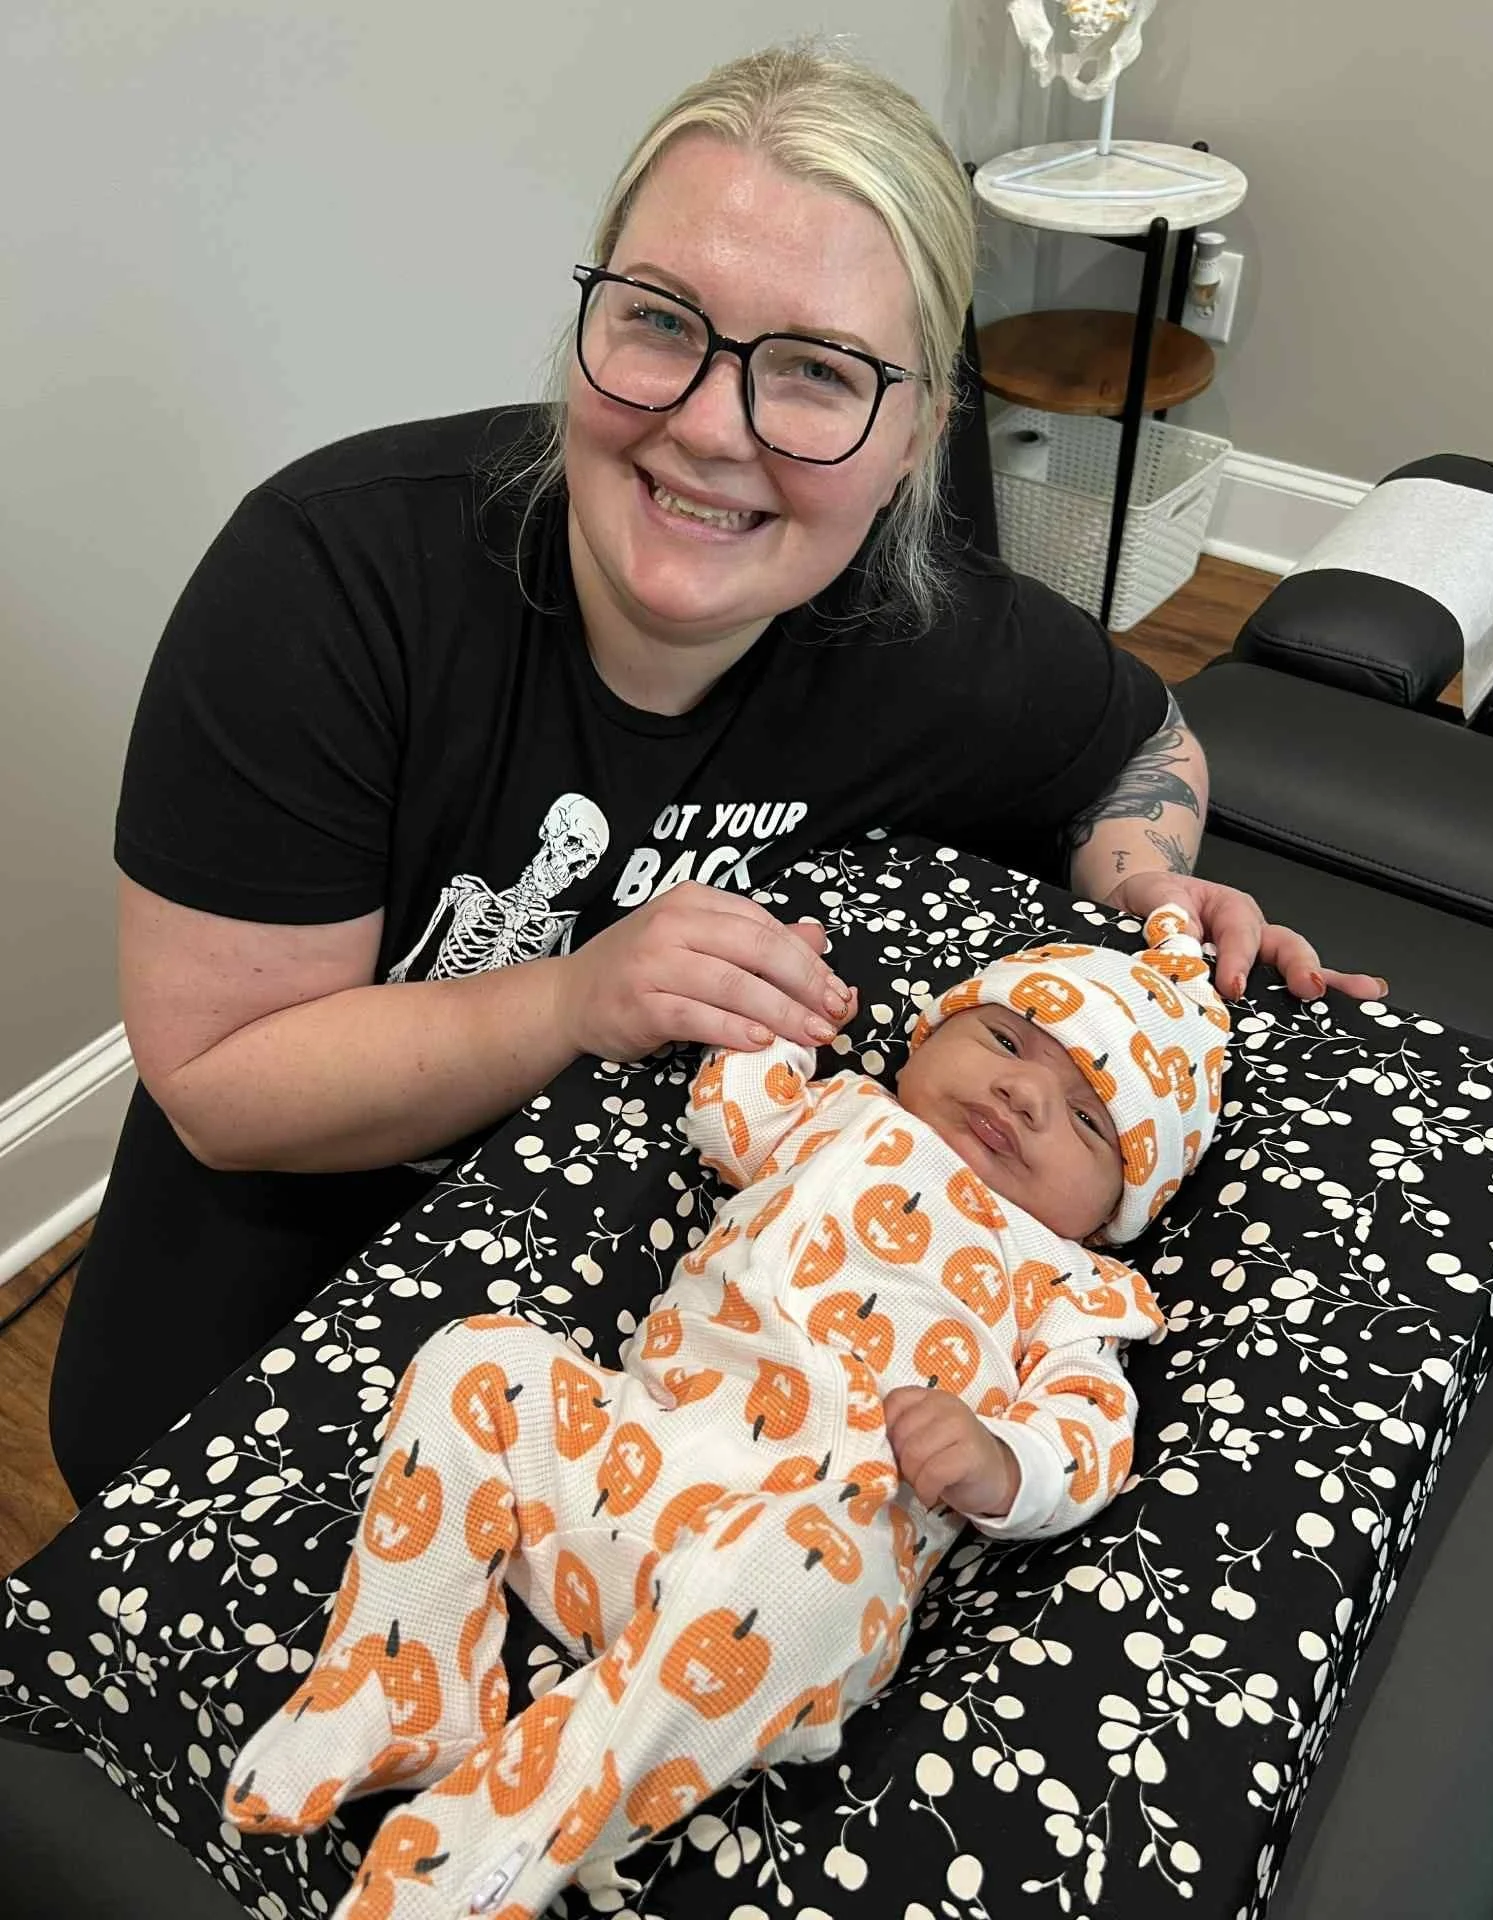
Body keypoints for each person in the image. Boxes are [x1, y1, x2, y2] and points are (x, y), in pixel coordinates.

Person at [51, 42, 1386, 1506]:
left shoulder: (920, 635)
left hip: (678, 1346)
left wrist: (1140, 890)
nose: (705, 423)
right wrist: (575, 998)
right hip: (285, 1291)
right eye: (659, 320)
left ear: (914, 439)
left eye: (817, 371)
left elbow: (1143, 741)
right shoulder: (327, 584)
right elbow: (222, 1084)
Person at [221, 906, 1228, 1920]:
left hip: (799, 1546)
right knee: (477, 1361)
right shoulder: (844, 1113)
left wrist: (1000, 1463)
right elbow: (731, 1115)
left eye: (1089, 1119)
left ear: (1115, 1213)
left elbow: (1088, 1429)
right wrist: (782, 1013)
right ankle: (404, 1676)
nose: (1023, 1094)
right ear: (927, 1037)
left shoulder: (1070, 1282)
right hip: (625, 1456)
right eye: (1005, 1041)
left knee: (813, 1572)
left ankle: (511, 1833)